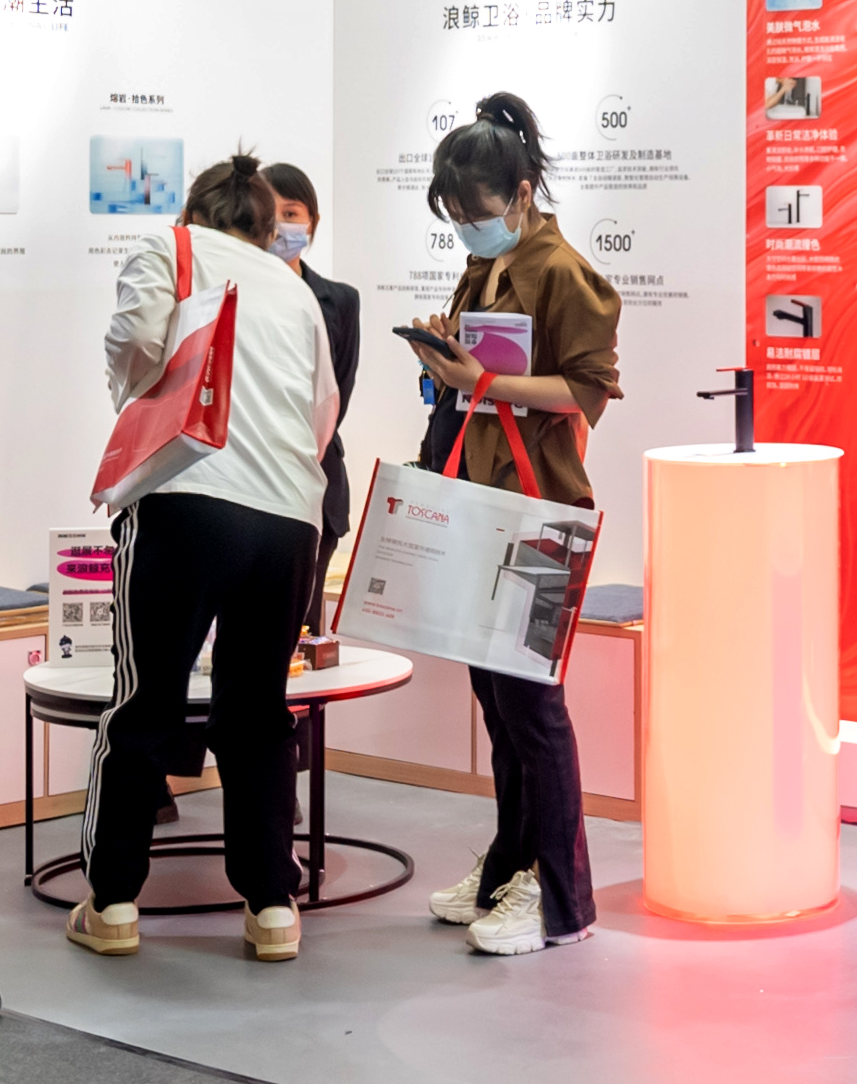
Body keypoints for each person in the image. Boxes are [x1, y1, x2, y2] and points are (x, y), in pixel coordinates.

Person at [68, 150, 340, 965]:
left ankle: (113, 902)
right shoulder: (293, 287)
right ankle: (272, 906)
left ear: (193, 213)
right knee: (257, 712)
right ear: (263, 226)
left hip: (186, 499)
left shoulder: (168, 248)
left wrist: (137, 400)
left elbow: (134, 343)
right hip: (289, 519)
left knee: (145, 703)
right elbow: (322, 410)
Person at [404, 92, 618, 957]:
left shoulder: (562, 272)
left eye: (476, 211)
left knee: (534, 710)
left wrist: (481, 382)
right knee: (499, 706)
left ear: (522, 193)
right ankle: (506, 870)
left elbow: (587, 392)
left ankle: (561, 900)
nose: (467, 227)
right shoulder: (483, 268)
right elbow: (476, 380)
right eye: (454, 216)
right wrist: (444, 357)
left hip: (540, 514)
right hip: (478, 505)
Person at [260, 161, 361, 613]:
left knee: (303, 625)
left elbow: (338, 391)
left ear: (312, 222)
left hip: (316, 478)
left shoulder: (340, 300)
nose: (280, 225)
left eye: (292, 213)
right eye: (269, 213)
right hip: (247, 481)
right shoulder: (231, 291)